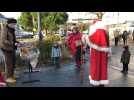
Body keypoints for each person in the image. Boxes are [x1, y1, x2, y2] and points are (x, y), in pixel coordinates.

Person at [85, 19, 111, 87]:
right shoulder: (104, 32)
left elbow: (91, 39)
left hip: (96, 53)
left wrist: (85, 37)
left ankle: (96, 81)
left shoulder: (99, 31)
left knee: (96, 67)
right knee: (102, 68)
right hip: (103, 54)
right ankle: (101, 82)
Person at [0, 18, 19, 83]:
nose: (14, 25)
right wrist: (13, 43)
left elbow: (12, 39)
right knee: (9, 63)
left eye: (15, 24)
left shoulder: (12, 29)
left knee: (13, 62)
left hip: (12, 48)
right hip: (6, 49)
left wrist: (17, 42)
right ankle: (8, 78)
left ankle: (11, 76)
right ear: (9, 24)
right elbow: (3, 40)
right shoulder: (4, 29)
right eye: (13, 24)